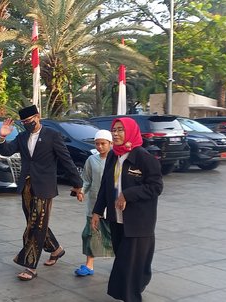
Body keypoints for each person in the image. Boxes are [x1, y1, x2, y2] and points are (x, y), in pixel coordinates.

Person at [0, 105, 83, 281]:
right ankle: (56, 249)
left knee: (35, 226)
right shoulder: (22, 137)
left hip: (45, 187)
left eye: (30, 120)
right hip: (27, 187)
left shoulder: (52, 135)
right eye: (24, 122)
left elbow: (66, 160)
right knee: (34, 222)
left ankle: (30, 266)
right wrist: (2, 137)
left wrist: (77, 184)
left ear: (38, 116)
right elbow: (6, 151)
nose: (28, 124)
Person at [91, 117, 163, 302]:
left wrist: (128, 195)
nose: (115, 134)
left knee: (128, 265)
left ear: (130, 131)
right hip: (117, 219)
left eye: (120, 130)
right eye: (114, 130)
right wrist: (97, 211)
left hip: (138, 222)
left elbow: (156, 187)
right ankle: (134, 287)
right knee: (128, 264)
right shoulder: (114, 155)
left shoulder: (143, 157)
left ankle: (132, 296)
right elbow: (105, 185)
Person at [74, 130, 115, 277]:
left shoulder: (117, 160)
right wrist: (81, 192)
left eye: (103, 143)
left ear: (111, 143)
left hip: (112, 206)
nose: (100, 147)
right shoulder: (91, 160)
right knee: (89, 235)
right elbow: (86, 180)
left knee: (115, 236)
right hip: (94, 205)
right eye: (97, 144)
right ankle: (89, 265)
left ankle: (120, 264)